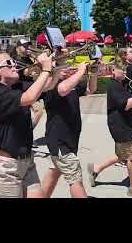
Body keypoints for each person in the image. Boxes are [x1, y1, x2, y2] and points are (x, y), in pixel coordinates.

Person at [0, 51, 53, 198]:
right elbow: (29, 98)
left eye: (13, 61)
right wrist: (45, 69)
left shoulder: (16, 86)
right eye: (8, 63)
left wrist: (56, 69)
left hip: (27, 161)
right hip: (7, 168)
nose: (14, 64)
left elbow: (45, 86)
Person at [87, 60, 132, 198]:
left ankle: (95, 169)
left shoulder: (122, 84)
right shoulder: (114, 86)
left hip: (123, 124)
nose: (125, 72)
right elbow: (126, 105)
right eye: (122, 69)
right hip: (120, 125)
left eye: (126, 69)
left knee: (122, 155)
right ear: (113, 71)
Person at [40, 61, 98, 198]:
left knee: (54, 172)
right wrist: (81, 71)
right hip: (60, 140)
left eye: (68, 67)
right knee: (75, 180)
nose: (68, 70)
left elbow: (91, 90)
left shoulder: (71, 85)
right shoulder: (51, 86)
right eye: (64, 69)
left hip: (70, 138)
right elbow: (63, 89)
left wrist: (94, 72)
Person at [13, 39, 45, 130]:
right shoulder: (16, 59)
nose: (27, 48)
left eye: (28, 45)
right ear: (18, 47)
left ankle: (26, 133)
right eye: (24, 46)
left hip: (29, 88)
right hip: (20, 89)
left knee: (36, 112)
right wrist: (37, 63)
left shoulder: (27, 58)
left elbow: (33, 71)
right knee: (38, 111)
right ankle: (26, 132)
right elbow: (26, 72)